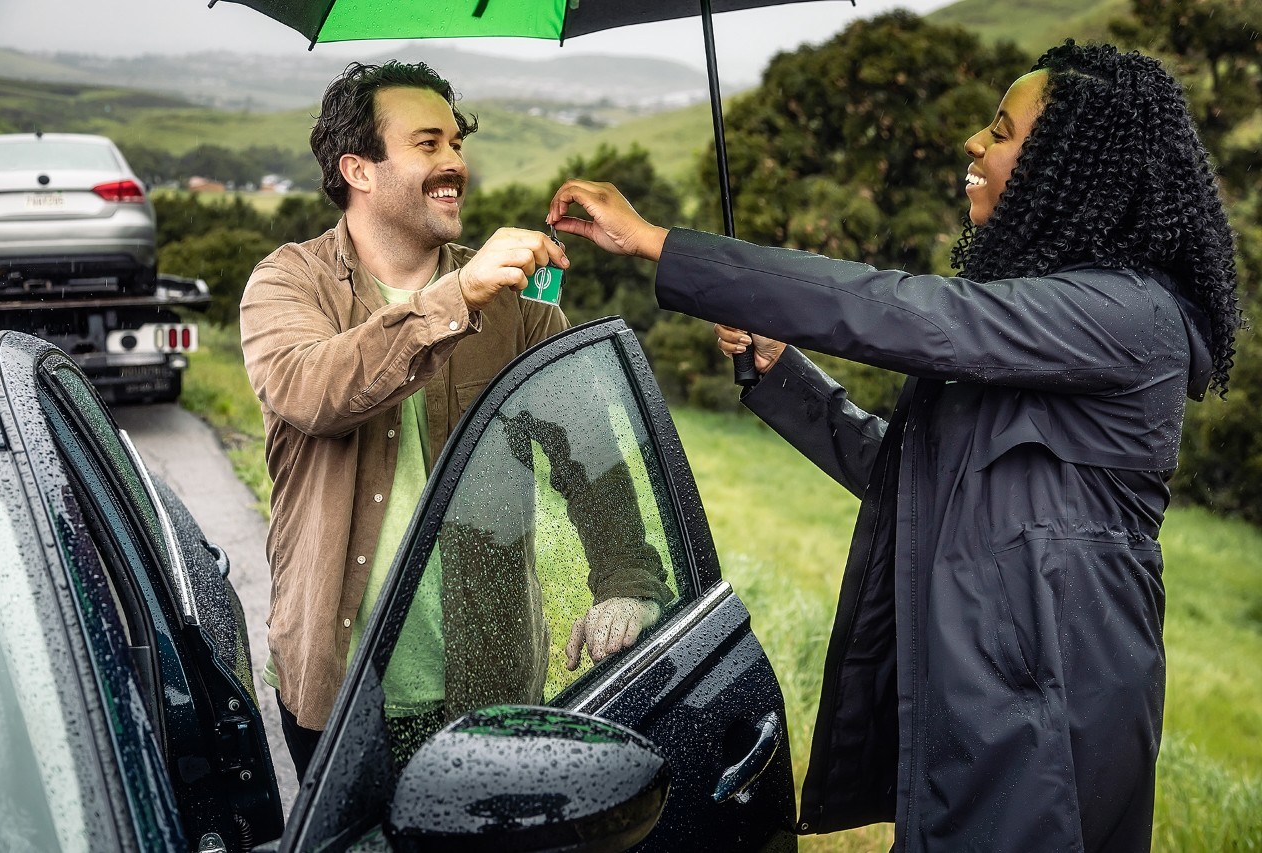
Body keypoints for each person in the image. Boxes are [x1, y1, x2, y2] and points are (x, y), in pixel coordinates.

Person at [547, 41, 1241, 852]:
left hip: (1049, 730)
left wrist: (662, 244)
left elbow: (909, 313)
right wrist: (781, 371)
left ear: (1074, 165)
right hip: (970, 717)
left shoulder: (1130, 319)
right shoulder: (1039, 320)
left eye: (1002, 129)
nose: (973, 145)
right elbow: (908, 475)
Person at [240, 60, 670, 780]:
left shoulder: (520, 309)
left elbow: (591, 466)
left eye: (458, 144)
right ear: (359, 170)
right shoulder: (288, 281)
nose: (454, 164)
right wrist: (453, 299)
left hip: (489, 688)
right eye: (428, 144)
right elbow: (309, 388)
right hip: (339, 687)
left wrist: (626, 581)